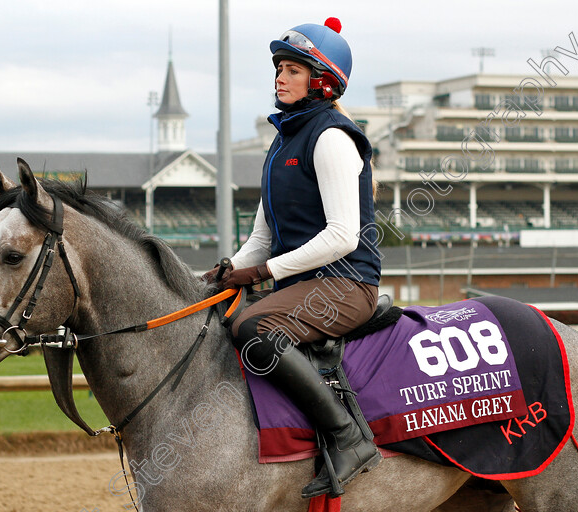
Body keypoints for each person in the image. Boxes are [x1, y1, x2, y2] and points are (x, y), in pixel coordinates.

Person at [203, 17, 382, 499]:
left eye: (292, 70)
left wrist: (261, 273)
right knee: (213, 309)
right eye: (279, 68)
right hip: (304, 286)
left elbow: (343, 236)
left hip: (348, 286)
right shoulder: (282, 142)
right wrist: (226, 272)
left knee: (252, 329)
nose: (279, 77)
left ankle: (347, 436)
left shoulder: (332, 138)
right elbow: (264, 236)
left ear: (322, 81)